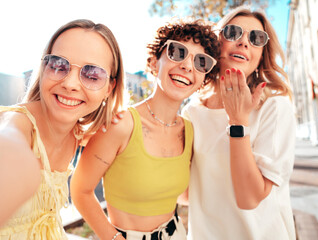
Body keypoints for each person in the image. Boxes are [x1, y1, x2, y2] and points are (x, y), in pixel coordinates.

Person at [0, 19, 124, 240]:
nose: (71, 84)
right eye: (58, 65)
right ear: (44, 68)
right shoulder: (15, 123)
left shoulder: (77, 134)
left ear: (109, 88)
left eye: (92, 75)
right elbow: (5, 144)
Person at [70, 19, 220, 240]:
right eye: (177, 52)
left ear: (203, 78)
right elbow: (80, 191)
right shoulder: (121, 125)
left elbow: (183, 196)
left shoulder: (189, 130)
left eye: (201, 62)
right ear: (153, 63)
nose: (188, 66)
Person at [182, 6, 296, 240]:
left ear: (262, 55)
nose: (245, 42)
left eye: (256, 39)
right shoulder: (192, 112)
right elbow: (184, 193)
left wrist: (238, 122)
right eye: (233, 33)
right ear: (217, 43)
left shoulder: (275, 107)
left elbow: (249, 198)